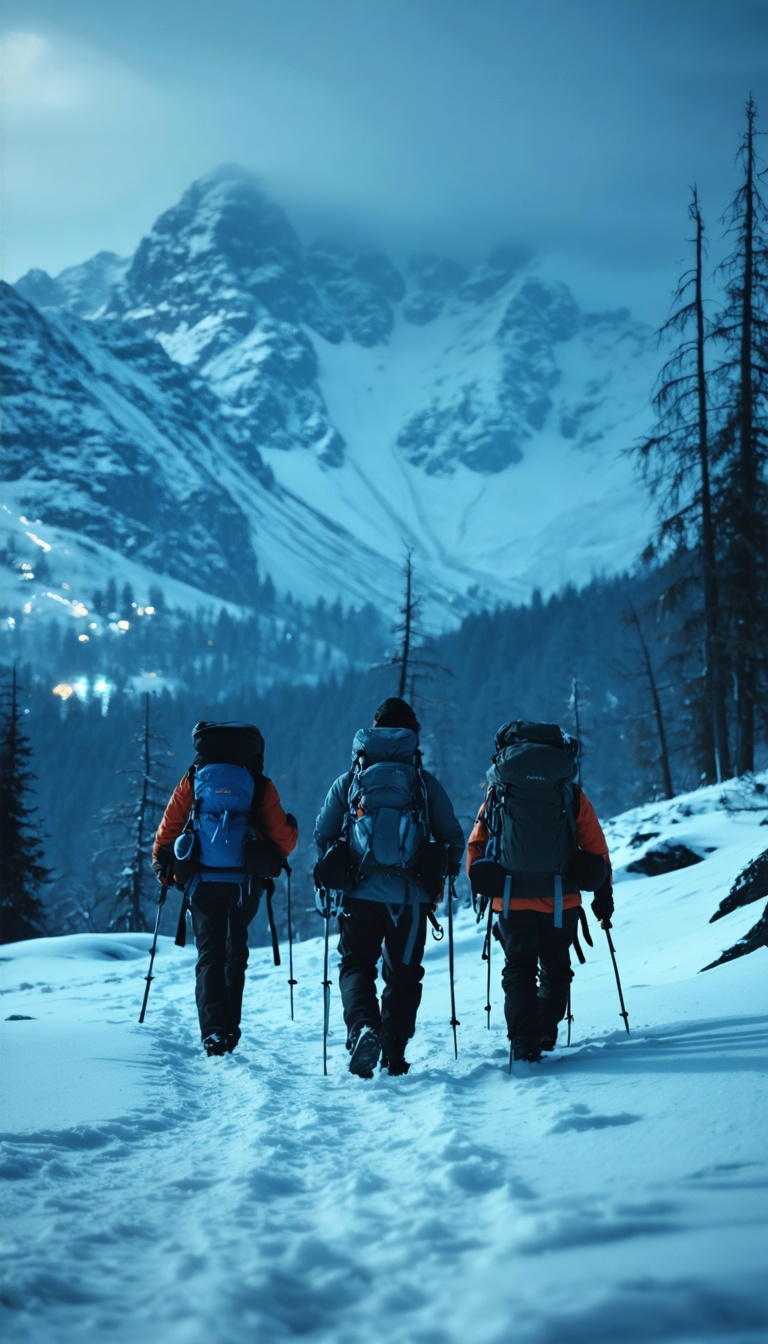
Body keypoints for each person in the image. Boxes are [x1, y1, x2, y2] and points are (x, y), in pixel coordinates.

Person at [314, 697, 465, 1078]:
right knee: (404, 974)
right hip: (410, 899)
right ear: (413, 734)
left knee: (356, 966)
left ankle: (363, 1028)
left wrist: (341, 869)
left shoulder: (350, 781)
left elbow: (323, 832)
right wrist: (439, 877)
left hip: (359, 894)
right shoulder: (423, 784)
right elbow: (451, 836)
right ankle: (394, 1053)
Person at [467, 720, 613, 1063]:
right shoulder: (570, 794)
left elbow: (477, 844)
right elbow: (596, 847)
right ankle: (545, 1031)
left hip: (511, 899)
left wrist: (483, 885)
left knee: (518, 969)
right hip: (562, 899)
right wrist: (603, 897)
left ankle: (524, 1041)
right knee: (556, 969)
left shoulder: (499, 791)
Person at [153, 720, 297, 1057]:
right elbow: (283, 839)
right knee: (236, 952)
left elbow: (170, 826)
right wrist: (291, 831)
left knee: (210, 954)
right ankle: (230, 1029)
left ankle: (213, 1032)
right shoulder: (259, 783)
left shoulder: (194, 779)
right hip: (245, 882)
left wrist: (162, 865)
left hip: (202, 881)